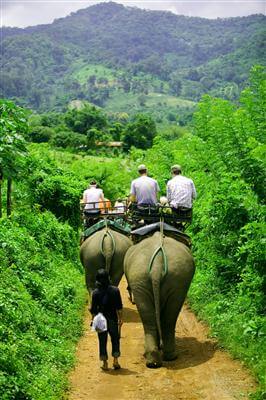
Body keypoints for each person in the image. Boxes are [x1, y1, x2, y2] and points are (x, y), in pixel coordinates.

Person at [90, 269, 123, 371]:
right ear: (108, 278)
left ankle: (105, 363)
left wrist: (92, 319)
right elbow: (119, 308)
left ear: (97, 280)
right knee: (115, 339)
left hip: (100, 319)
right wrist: (120, 319)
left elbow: (94, 310)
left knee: (102, 341)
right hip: (112, 318)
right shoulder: (115, 290)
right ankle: (116, 361)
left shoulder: (95, 293)